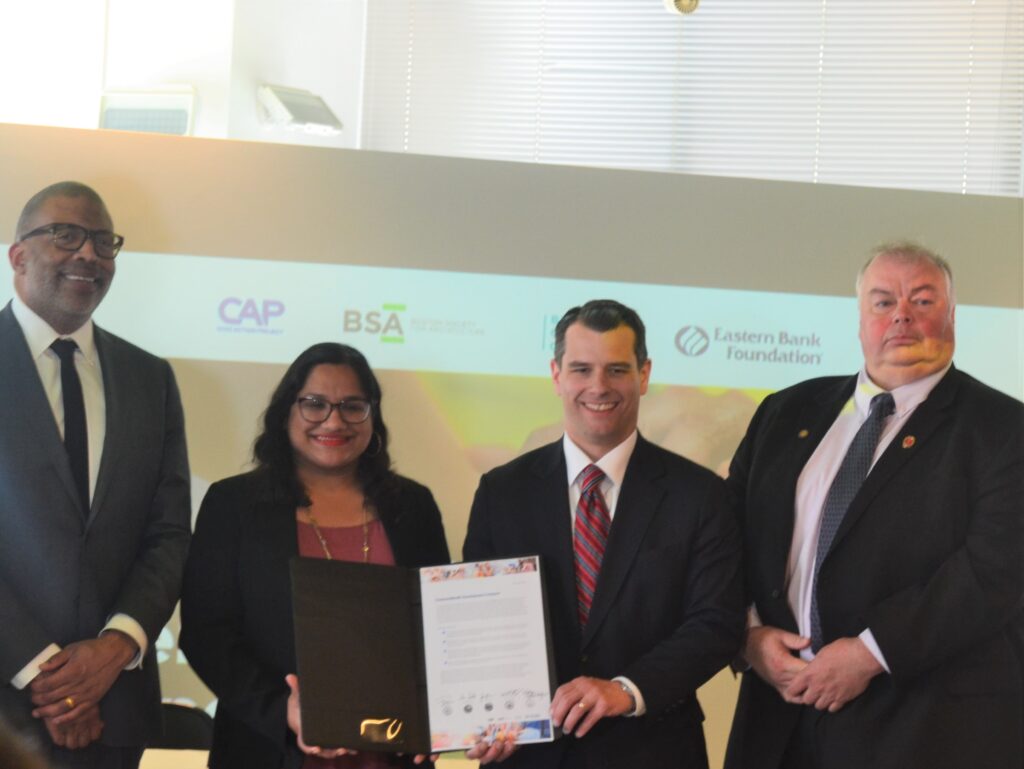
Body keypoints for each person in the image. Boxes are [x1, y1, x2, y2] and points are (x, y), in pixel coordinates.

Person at [724, 243, 1024, 769]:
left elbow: (995, 570)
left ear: (953, 317)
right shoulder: (783, 411)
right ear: (861, 320)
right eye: (883, 302)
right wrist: (748, 634)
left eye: (923, 301)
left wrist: (870, 652)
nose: (902, 315)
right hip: (776, 723)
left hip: (923, 727)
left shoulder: (1005, 429)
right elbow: (725, 540)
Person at [463, 299, 744, 768]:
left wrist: (624, 690)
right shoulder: (501, 492)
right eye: (581, 369)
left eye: (616, 370)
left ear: (644, 374)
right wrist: (486, 716)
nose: (598, 386)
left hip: (653, 751)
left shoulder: (699, 495)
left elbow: (716, 624)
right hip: (529, 753)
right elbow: (478, 621)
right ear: (556, 375)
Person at [179, 342, 450, 769]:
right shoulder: (234, 505)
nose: (334, 420)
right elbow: (206, 634)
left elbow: (441, 627)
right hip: (269, 749)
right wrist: (281, 711)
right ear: (286, 411)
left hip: (391, 752)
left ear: (373, 415)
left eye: (352, 406)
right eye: (314, 404)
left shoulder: (412, 507)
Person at [0, 181, 191, 769]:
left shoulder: (150, 379)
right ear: (18, 255)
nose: (89, 254)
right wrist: (50, 676)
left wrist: (113, 651)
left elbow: (168, 534)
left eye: (104, 242)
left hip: (115, 710)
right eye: (66, 235)